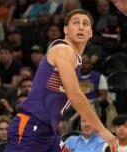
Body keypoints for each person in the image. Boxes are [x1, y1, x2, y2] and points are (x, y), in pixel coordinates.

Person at [6, 9, 118, 152]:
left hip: (47, 132)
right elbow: (75, 95)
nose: (81, 27)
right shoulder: (63, 49)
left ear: (90, 33)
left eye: (85, 24)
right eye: (76, 23)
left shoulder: (76, 60)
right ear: (65, 30)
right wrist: (102, 130)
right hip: (31, 126)